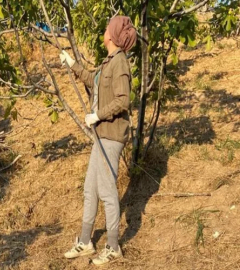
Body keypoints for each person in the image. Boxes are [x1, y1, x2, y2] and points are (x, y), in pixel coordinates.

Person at [59, 16, 137, 266]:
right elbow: (92, 80)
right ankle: (85, 241)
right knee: (90, 189)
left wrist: (97, 115)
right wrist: (71, 63)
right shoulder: (108, 63)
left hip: (111, 136)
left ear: (113, 35)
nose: (104, 30)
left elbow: (123, 100)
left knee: (106, 190)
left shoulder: (121, 63)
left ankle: (113, 246)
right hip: (101, 135)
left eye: (107, 27)